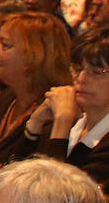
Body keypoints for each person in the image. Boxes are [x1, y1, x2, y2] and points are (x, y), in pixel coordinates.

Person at [0, 12, 73, 180]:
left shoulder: (53, 108)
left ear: (34, 57)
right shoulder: (9, 97)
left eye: (5, 45)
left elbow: (33, 173)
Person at [19, 25, 109, 189]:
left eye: (96, 72)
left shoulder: (65, 121)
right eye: (78, 69)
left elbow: (58, 199)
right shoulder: (70, 124)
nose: (81, 79)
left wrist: (62, 122)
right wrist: (35, 125)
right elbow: (16, 178)